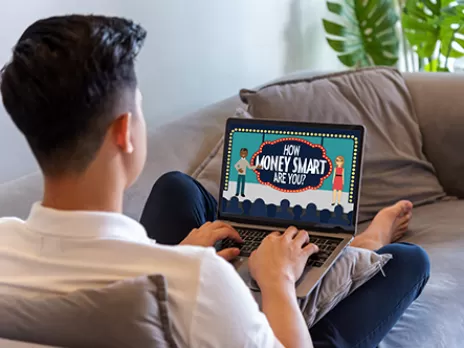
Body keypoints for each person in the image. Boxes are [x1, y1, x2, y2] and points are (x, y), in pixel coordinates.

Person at [0, 15, 430, 348]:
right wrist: (277, 281)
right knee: (410, 261)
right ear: (124, 132)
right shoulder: (198, 279)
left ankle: (355, 248)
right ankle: (362, 247)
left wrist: (170, 255)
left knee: (177, 187)